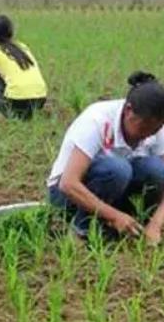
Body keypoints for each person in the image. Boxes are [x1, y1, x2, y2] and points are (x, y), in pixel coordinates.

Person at [48, 72, 164, 243]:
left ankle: (133, 222)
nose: (147, 136)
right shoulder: (97, 120)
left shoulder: (157, 128)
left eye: (154, 130)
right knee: (118, 169)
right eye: (143, 128)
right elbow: (68, 184)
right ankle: (83, 229)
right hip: (67, 196)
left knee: (155, 169)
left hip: (113, 194)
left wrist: (156, 224)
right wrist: (115, 216)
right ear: (128, 110)